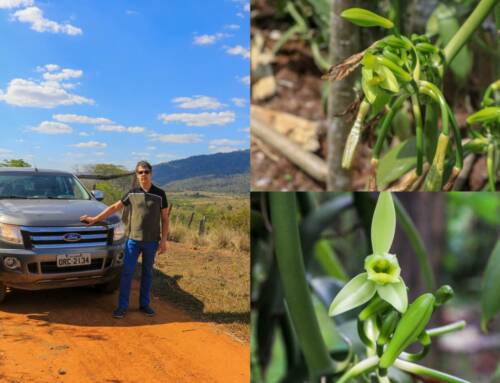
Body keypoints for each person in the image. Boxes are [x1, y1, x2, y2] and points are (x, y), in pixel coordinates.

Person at [80, 160, 169, 318]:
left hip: (151, 242)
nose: (143, 175)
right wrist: (94, 219)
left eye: (146, 172)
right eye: (140, 172)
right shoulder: (132, 193)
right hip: (133, 241)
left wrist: (163, 241)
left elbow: (165, 219)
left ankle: (145, 305)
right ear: (137, 175)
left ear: (151, 173)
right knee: (127, 273)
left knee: (147, 274)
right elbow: (114, 207)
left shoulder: (160, 194)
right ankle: (122, 306)